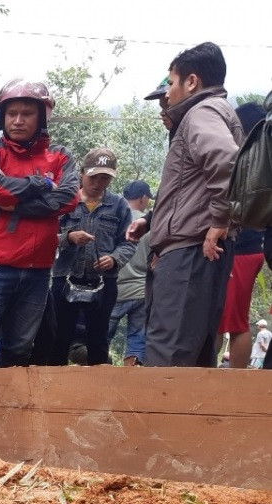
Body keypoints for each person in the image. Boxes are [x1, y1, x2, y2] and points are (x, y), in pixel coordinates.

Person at [126, 42, 244, 367]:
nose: (168, 93)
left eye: (171, 83)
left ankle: (160, 404)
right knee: (192, 359)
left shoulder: (202, 112)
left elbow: (225, 162)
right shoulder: (214, 111)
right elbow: (189, 190)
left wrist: (219, 220)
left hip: (190, 253)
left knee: (169, 357)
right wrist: (152, 221)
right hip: (195, 250)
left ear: (191, 82)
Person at [0, 78, 79, 369]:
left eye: (27, 113)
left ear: (42, 116)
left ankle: (3, 400)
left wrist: (16, 203)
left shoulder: (60, 156)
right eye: (11, 113)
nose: (18, 120)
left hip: (38, 270)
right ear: (2, 116)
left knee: (19, 348)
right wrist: (40, 184)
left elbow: (69, 197)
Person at [49, 148, 135, 366]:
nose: (97, 183)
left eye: (104, 178)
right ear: (82, 173)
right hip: (65, 279)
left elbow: (129, 242)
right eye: (93, 177)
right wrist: (69, 237)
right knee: (58, 337)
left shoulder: (119, 205)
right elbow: (46, 237)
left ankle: (98, 384)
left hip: (103, 282)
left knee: (99, 338)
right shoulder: (65, 202)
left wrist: (114, 259)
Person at [216, 103, 268, 368]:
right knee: (218, 318)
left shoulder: (252, 159)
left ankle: (235, 380)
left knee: (234, 322)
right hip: (245, 248)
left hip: (244, 248)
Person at [108, 180, 153, 366]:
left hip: (116, 290)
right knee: (137, 339)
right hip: (141, 291)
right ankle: (132, 375)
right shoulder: (149, 227)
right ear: (143, 198)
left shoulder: (114, 219)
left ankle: (95, 374)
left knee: (101, 337)